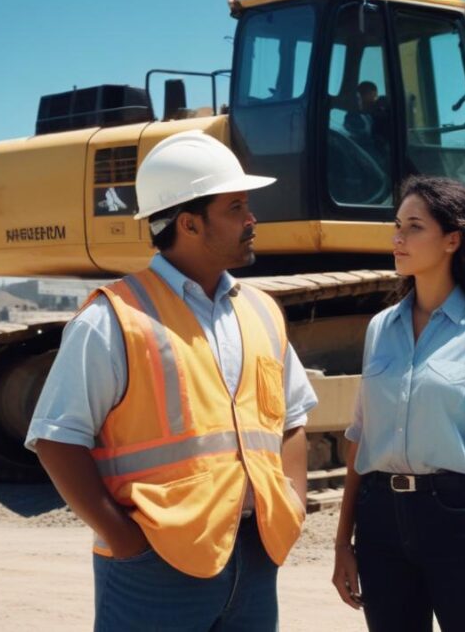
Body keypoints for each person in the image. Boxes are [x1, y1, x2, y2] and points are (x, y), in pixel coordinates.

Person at [26, 130, 318, 632]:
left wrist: (290, 503)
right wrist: (127, 544)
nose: (252, 220)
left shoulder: (262, 311)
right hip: (153, 565)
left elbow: (292, 420)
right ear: (188, 222)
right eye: (235, 208)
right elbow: (56, 439)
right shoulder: (115, 316)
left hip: (254, 554)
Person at [330, 175, 465, 632]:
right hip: (379, 521)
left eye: (413, 227)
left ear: (452, 240)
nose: (398, 238)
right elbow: (361, 440)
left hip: (457, 521)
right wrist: (343, 542)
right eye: (397, 226)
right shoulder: (380, 328)